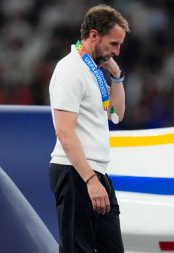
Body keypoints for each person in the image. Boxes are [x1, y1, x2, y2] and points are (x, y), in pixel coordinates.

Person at [48, 4, 129, 253]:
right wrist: (90, 180)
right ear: (94, 35)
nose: (116, 51)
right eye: (113, 44)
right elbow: (64, 131)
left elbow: (117, 115)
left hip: (95, 173)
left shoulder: (92, 71)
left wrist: (115, 76)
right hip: (76, 173)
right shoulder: (70, 69)